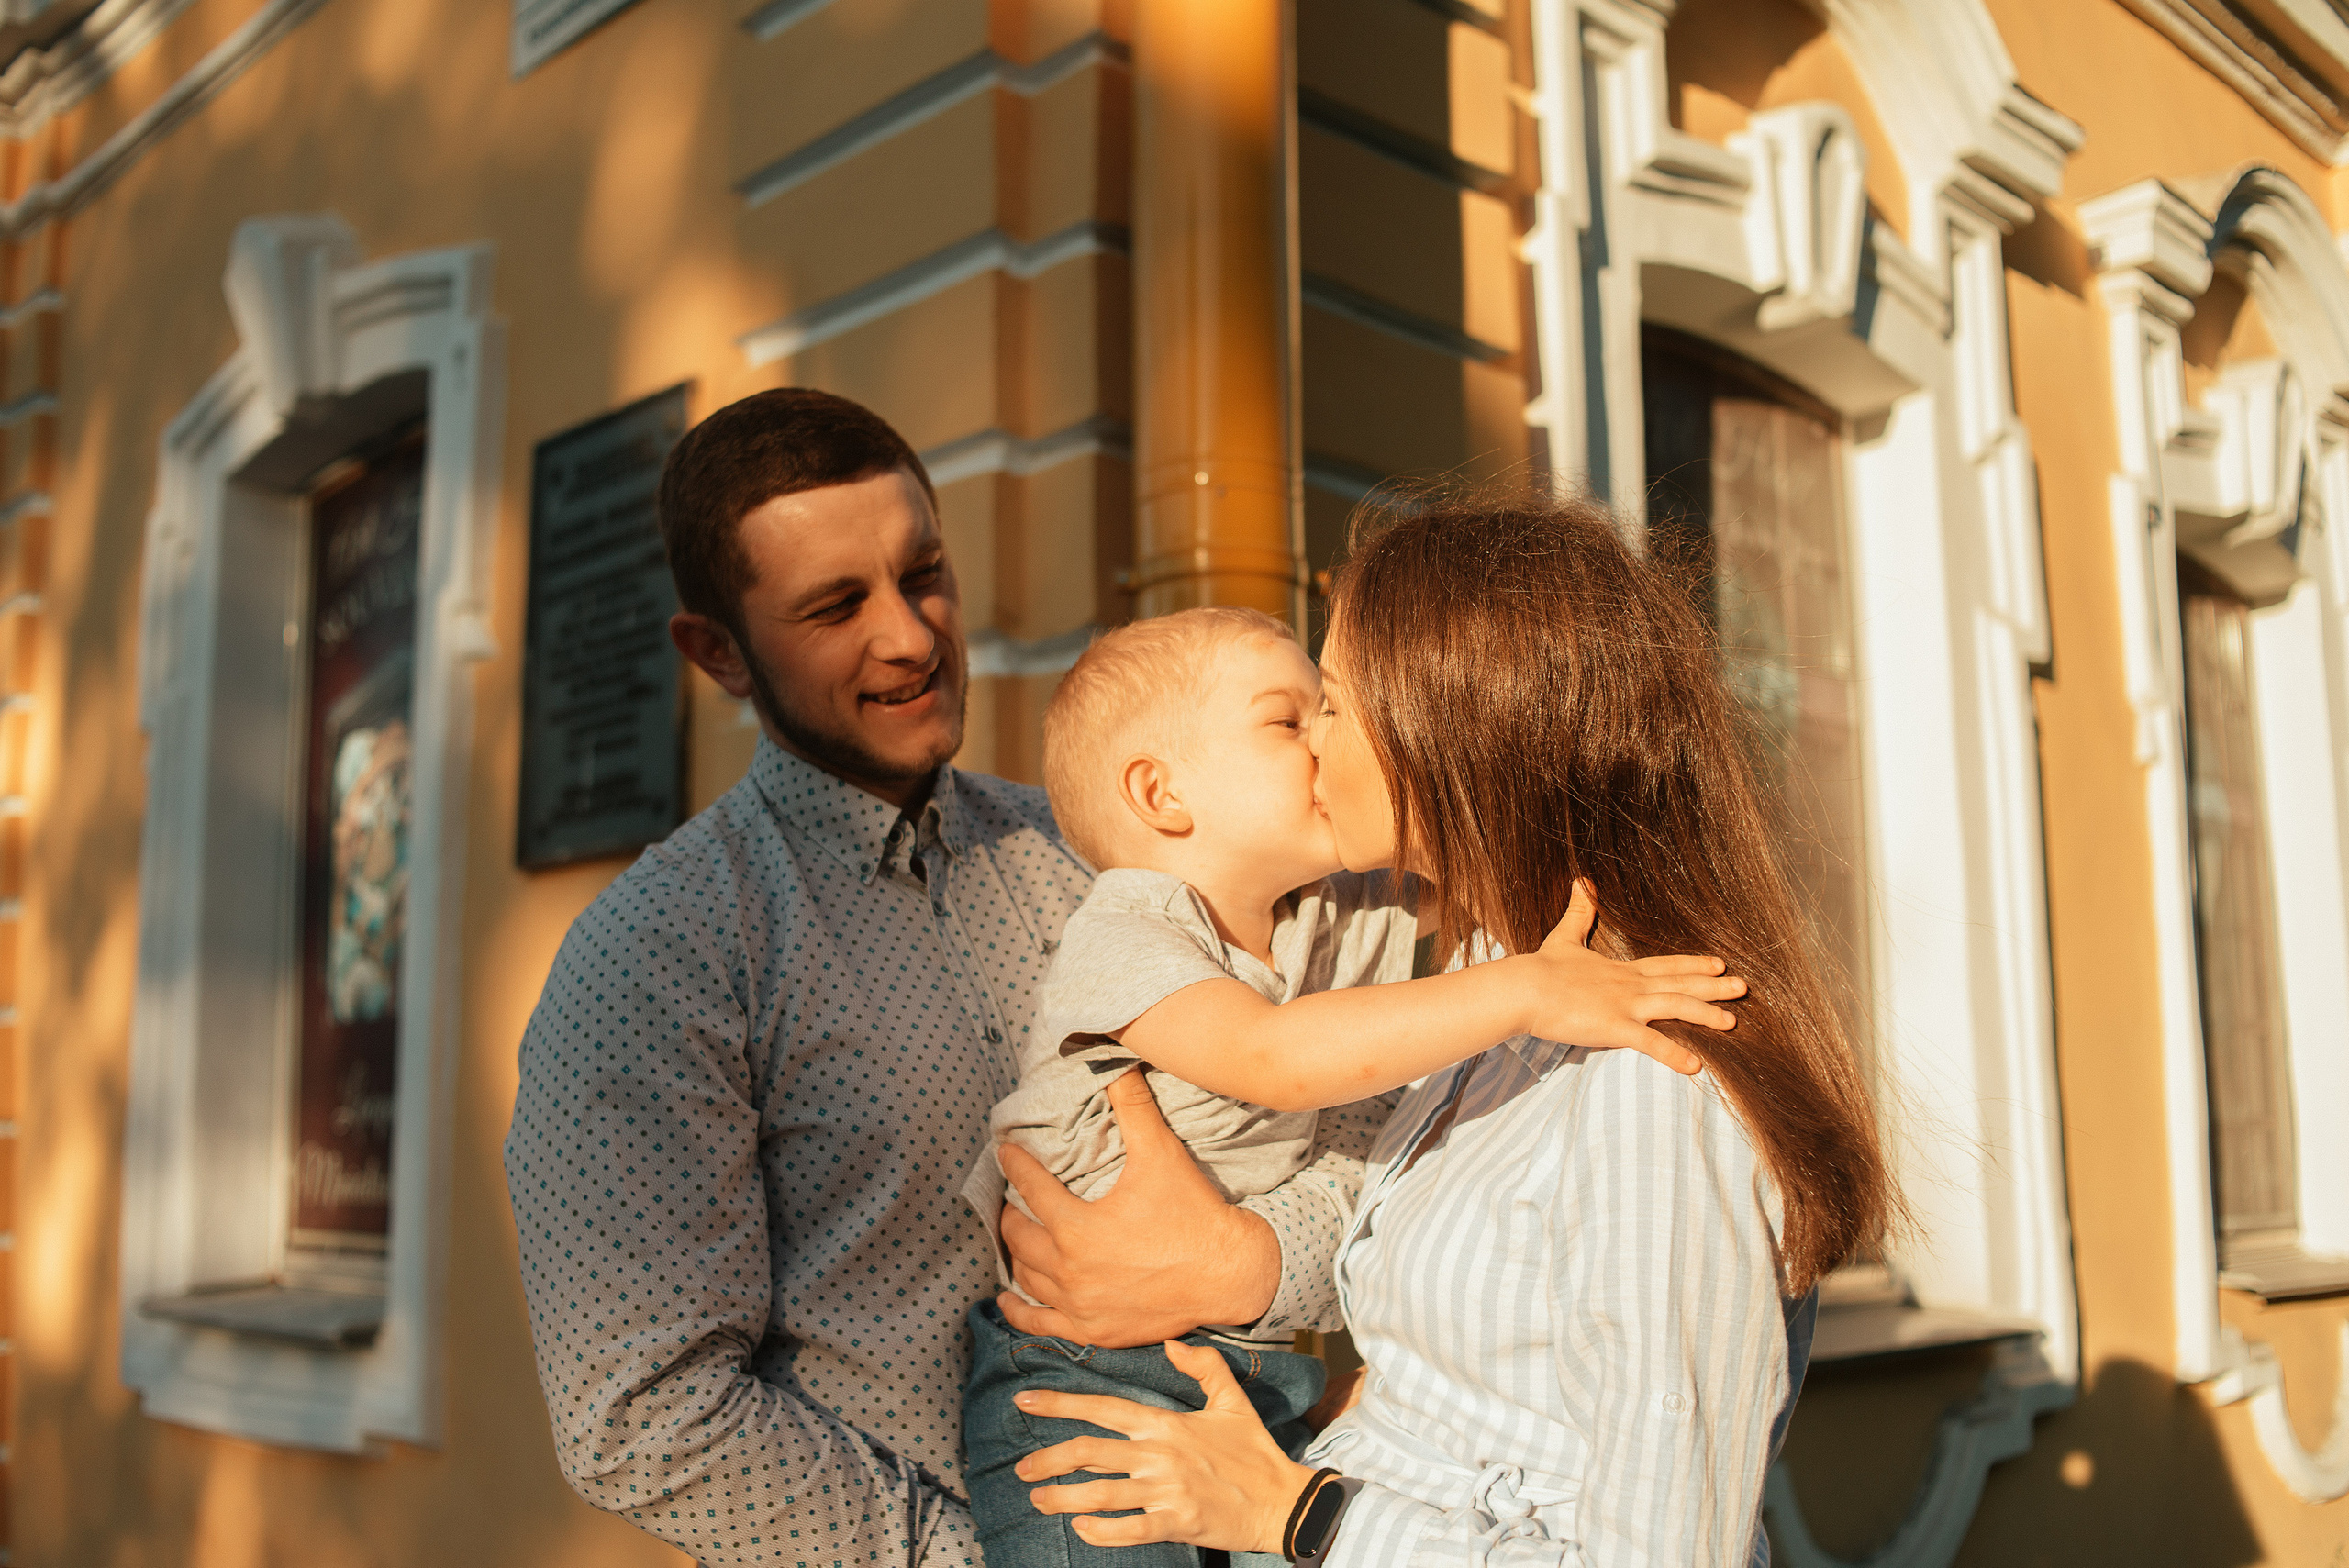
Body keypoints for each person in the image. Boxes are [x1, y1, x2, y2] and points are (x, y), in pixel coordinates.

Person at [505, 389, 1379, 1568]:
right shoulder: (658, 955)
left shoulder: (1116, 855)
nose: (910, 635)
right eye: (834, 605)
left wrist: (1253, 1265)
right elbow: (640, 1411)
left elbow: (1358, 1161)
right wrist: (985, 1556)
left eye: (923, 574)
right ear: (717, 651)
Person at [1007, 490, 1898, 1568]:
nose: (1312, 745)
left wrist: (1300, 1512)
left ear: (1453, 730)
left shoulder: (1648, 1078)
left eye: (1329, 705)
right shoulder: (1480, 985)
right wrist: (1242, 1276)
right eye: (1296, 715)